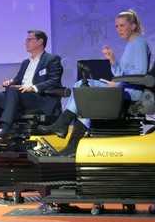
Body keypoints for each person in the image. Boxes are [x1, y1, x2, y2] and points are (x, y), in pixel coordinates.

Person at [40, 9, 152, 137]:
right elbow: (121, 73)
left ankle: (63, 125)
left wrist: (118, 84)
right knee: (82, 89)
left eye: (122, 25)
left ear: (133, 26)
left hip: (131, 93)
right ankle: (67, 135)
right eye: (116, 26)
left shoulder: (139, 43)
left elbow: (140, 74)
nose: (119, 29)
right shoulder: (131, 44)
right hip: (123, 88)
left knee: (82, 87)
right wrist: (112, 59)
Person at [0, 30, 63, 142]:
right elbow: (18, 80)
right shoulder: (26, 63)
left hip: (38, 98)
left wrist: (33, 87)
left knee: (13, 91)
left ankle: (5, 131)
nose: (26, 42)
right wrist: (11, 82)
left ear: (40, 41)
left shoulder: (52, 59)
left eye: (29, 40)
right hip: (19, 97)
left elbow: (54, 80)